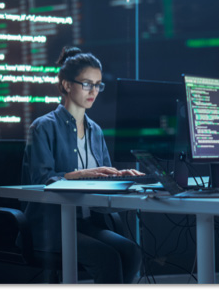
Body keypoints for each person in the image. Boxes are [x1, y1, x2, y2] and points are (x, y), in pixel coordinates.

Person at [22, 46, 142, 283]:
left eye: (98, 84)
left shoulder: (95, 131)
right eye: (87, 83)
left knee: (131, 252)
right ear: (67, 85)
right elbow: (39, 181)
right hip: (51, 227)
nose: (94, 91)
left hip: (87, 223)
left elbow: (104, 177)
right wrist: (80, 174)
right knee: (106, 257)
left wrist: (121, 176)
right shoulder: (43, 127)